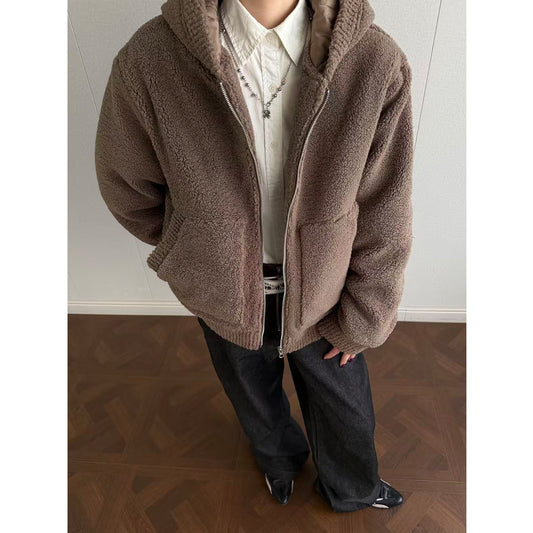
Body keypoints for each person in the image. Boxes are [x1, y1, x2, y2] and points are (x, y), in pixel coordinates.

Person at [95, 0, 413, 513]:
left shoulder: (374, 62)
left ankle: (353, 486)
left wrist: (366, 315)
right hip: (222, 291)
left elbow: (386, 206)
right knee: (251, 395)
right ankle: (279, 462)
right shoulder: (151, 60)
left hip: (326, 294)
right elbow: (126, 182)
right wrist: (193, 246)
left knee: (344, 406)